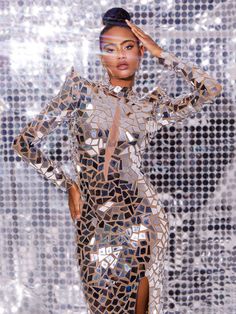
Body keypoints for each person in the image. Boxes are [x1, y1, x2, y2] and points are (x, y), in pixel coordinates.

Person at [12, 7, 222, 314]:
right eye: (110, 49)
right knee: (101, 306)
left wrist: (161, 53)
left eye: (128, 47)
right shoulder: (79, 92)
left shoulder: (151, 105)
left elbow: (210, 89)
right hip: (92, 221)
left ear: (140, 53)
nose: (120, 56)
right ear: (100, 57)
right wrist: (68, 183)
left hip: (140, 218)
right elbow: (25, 142)